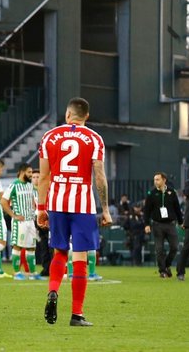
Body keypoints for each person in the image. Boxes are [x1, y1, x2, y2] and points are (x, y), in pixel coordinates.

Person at [37, 97, 111, 327]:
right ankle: (77, 314)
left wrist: (41, 208)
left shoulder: (49, 137)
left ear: (67, 115)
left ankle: (52, 291)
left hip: (56, 203)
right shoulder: (94, 139)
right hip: (82, 205)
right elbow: (99, 176)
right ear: (86, 116)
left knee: (59, 252)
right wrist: (106, 209)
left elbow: (43, 178)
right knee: (80, 257)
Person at [1, 163, 39, 280]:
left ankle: (32, 274)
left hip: (30, 221)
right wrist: (13, 215)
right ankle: (17, 273)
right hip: (19, 222)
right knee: (17, 246)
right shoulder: (14, 185)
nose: (31, 175)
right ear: (22, 172)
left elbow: (33, 199)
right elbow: (3, 201)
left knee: (31, 247)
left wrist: (34, 209)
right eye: (29, 172)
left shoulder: (29, 185)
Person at [143, 171, 183, 278]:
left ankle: (167, 265)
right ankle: (162, 271)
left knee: (175, 247)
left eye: (158, 179)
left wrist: (181, 222)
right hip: (157, 225)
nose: (155, 182)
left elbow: (177, 209)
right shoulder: (151, 193)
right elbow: (146, 210)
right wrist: (146, 224)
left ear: (164, 180)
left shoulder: (172, 192)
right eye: (155, 180)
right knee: (159, 249)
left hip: (170, 224)